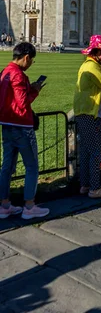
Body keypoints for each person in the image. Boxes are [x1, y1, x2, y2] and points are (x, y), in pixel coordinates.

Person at [0, 42, 49, 220]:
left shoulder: (5, 72)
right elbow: (22, 103)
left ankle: (4, 205)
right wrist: (35, 90)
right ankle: (29, 206)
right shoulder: (18, 75)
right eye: (31, 61)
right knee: (31, 166)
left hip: (6, 124)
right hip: (21, 126)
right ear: (26, 57)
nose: (30, 64)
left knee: (7, 166)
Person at [73, 35, 101, 198]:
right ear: (98, 53)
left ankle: (85, 184)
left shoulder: (86, 65)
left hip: (83, 111)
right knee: (96, 151)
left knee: (86, 151)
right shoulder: (93, 67)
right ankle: (95, 188)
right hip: (90, 112)